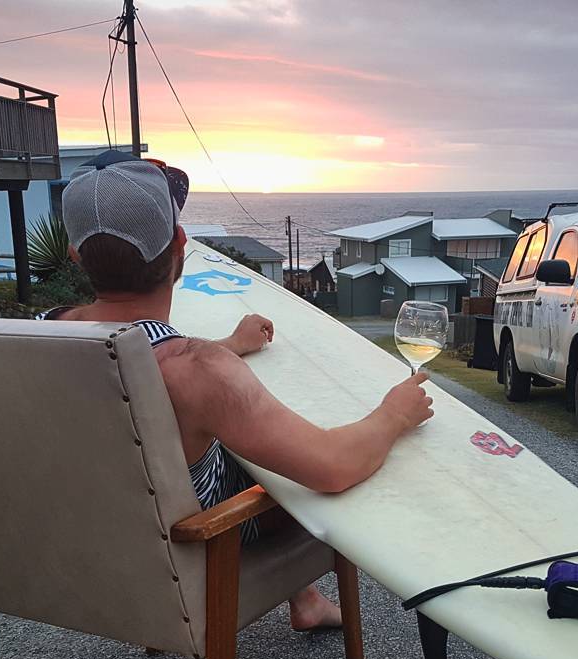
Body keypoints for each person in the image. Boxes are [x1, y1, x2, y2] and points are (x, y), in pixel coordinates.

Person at [39, 151, 434, 630]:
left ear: (75, 254)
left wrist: (231, 345)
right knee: (313, 462)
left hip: (87, 545)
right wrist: (395, 414)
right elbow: (333, 467)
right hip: (193, 546)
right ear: (180, 243)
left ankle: (307, 601)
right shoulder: (198, 369)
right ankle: (311, 594)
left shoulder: (38, 335)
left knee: (242, 441)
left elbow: (145, 365)